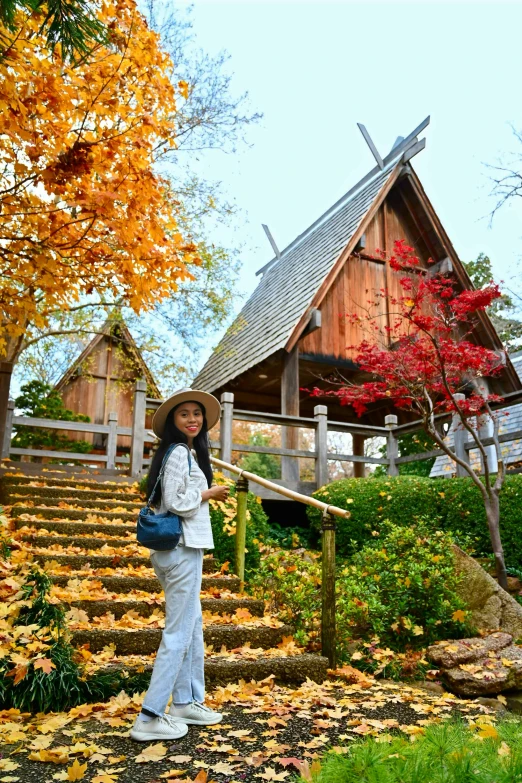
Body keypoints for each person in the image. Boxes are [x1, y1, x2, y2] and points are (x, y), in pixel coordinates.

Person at [131, 388, 230, 742]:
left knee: (192, 626)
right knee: (178, 632)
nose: (192, 419)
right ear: (173, 421)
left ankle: (186, 702)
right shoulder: (176, 453)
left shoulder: (186, 452)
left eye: (196, 414)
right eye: (184, 414)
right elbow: (174, 502)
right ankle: (149, 716)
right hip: (179, 549)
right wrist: (208, 493)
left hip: (185, 549)